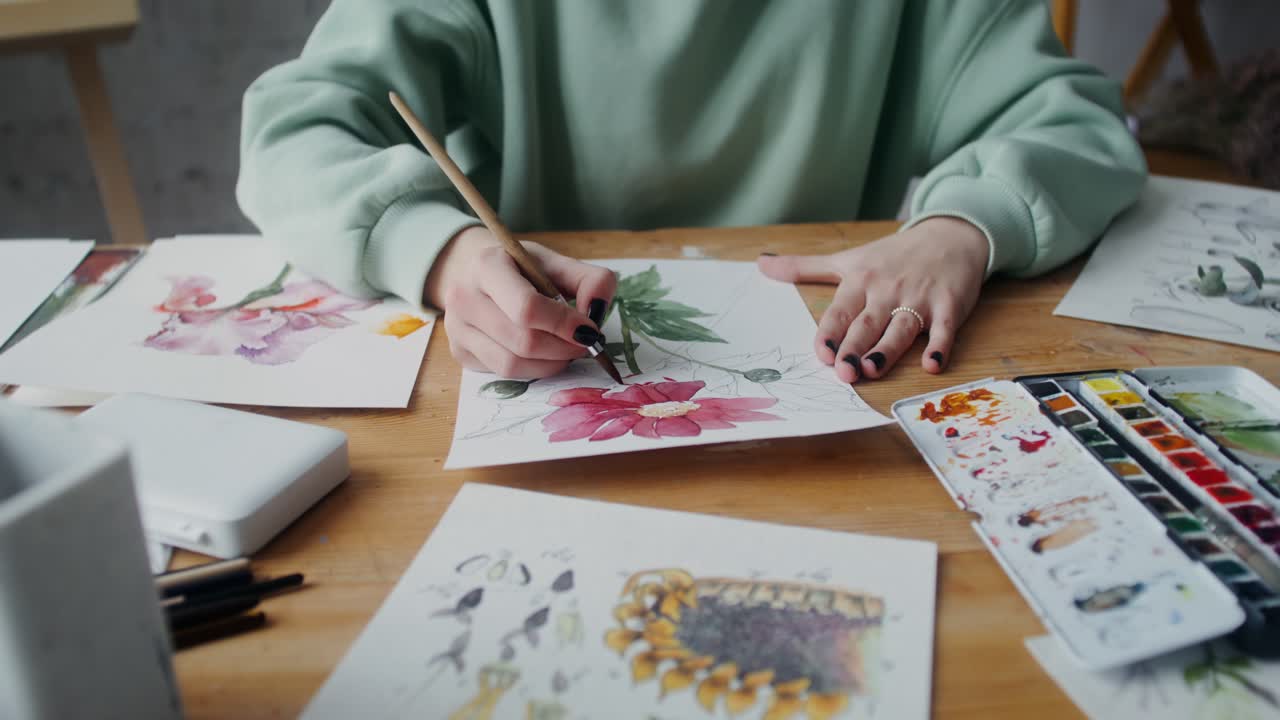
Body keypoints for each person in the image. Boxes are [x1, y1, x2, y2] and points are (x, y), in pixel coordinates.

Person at [238, 0, 1145, 383]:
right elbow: (294, 130)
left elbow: (1074, 123)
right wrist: (437, 252)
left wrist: (960, 227)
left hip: (843, 399)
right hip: (538, 378)